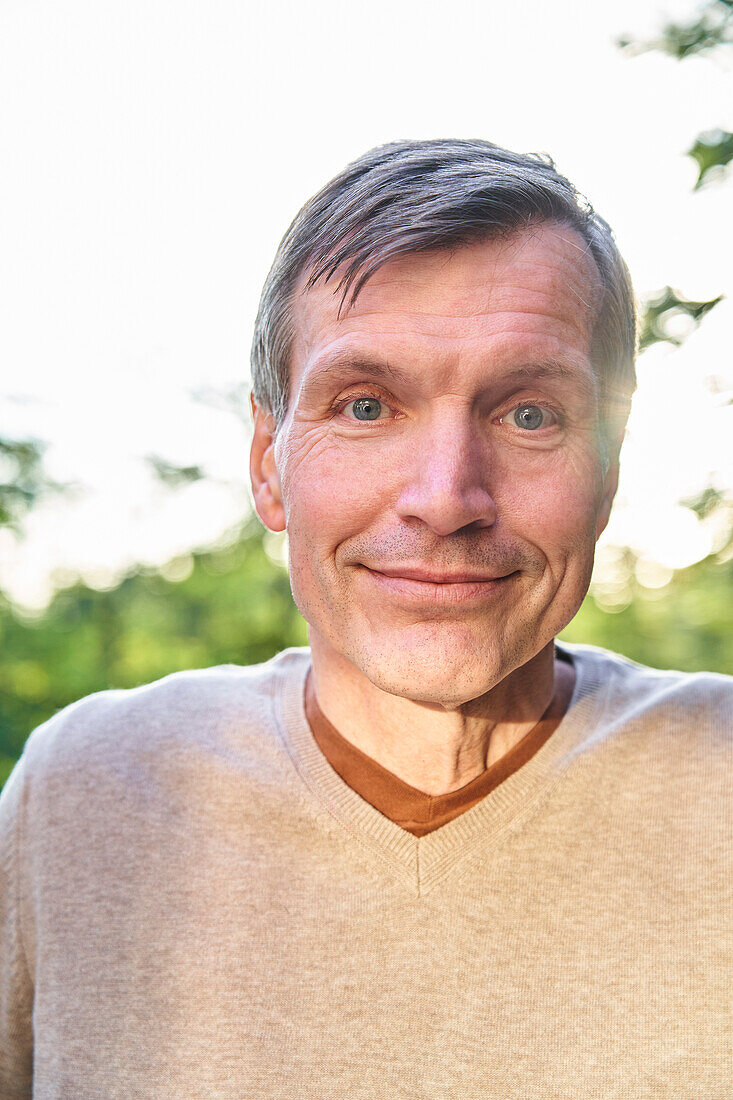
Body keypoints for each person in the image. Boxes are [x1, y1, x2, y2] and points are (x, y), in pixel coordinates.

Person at [1, 139, 730, 1098]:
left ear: (609, 472)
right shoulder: (81, 797)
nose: (445, 497)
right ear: (270, 463)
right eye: (364, 405)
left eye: (528, 416)